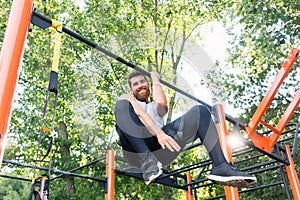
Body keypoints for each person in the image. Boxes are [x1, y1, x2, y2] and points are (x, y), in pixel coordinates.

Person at [114, 71, 257, 187]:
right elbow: (139, 113)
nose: (140, 85)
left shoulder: (153, 106)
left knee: (200, 111)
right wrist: (159, 133)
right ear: (131, 90)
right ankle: (147, 162)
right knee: (121, 104)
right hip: (136, 151)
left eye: (142, 82)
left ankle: (221, 166)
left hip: (161, 149)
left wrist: (155, 79)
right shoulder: (127, 100)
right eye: (135, 84)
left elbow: (162, 105)